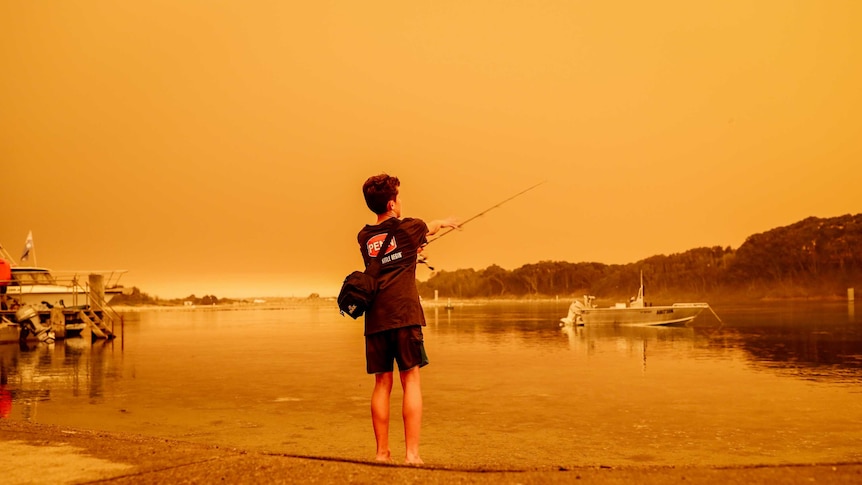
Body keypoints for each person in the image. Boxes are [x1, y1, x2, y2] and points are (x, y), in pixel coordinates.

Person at [357, 173, 457, 464]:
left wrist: (412, 249)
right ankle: (412, 455)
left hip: (376, 319)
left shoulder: (363, 236)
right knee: (411, 380)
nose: (401, 201)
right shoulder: (410, 228)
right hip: (404, 315)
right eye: (399, 196)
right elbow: (432, 227)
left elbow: (386, 255)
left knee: (381, 384)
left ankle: (381, 454)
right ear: (391, 202)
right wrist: (445, 222)